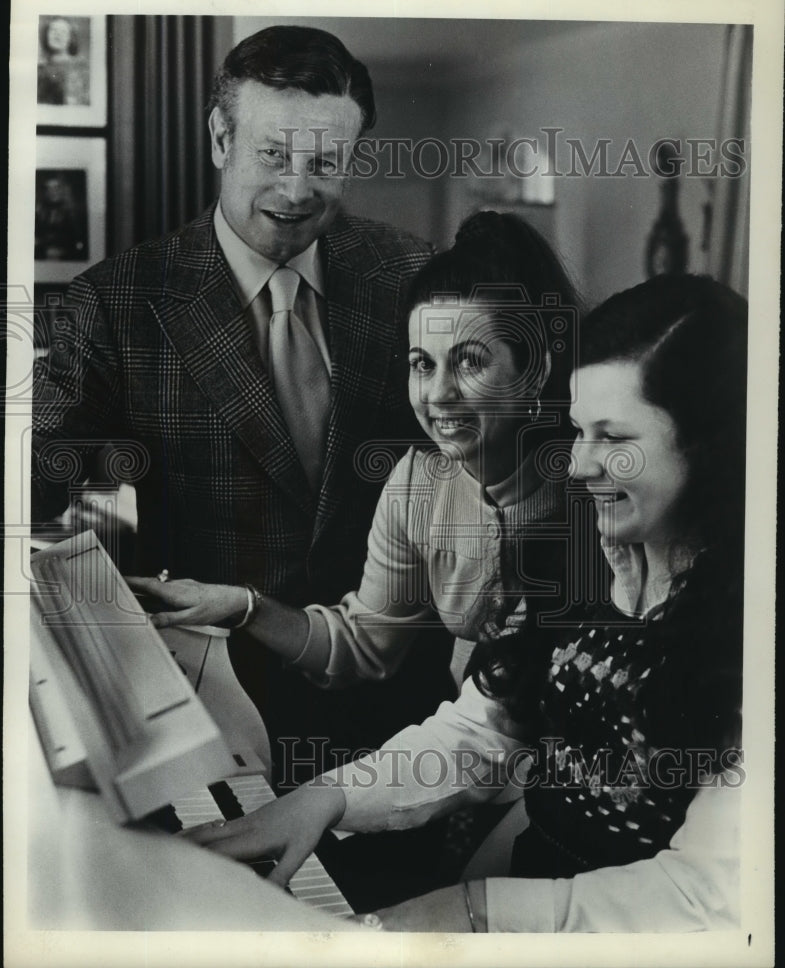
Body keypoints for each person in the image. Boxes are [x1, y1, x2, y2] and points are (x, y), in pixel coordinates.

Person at [184, 274, 746, 931]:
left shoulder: (748, 624)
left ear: (713, 450)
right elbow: (486, 729)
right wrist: (325, 797)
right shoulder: (586, 554)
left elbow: (701, 894)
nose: (578, 465)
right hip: (534, 890)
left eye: (615, 441)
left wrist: (472, 910)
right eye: (577, 432)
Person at [31, 25, 444, 787]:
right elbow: (35, 491)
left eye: (325, 162)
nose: (296, 190)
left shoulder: (413, 275)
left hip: (401, 705)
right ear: (221, 137)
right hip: (213, 712)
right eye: (273, 155)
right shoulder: (116, 303)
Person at [128, 210, 578, 701]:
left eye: (470, 361)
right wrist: (242, 605)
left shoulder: (589, 478)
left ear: (534, 371)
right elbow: (365, 644)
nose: (439, 394)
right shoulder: (417, 486)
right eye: (422, 365)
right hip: (476, 731)